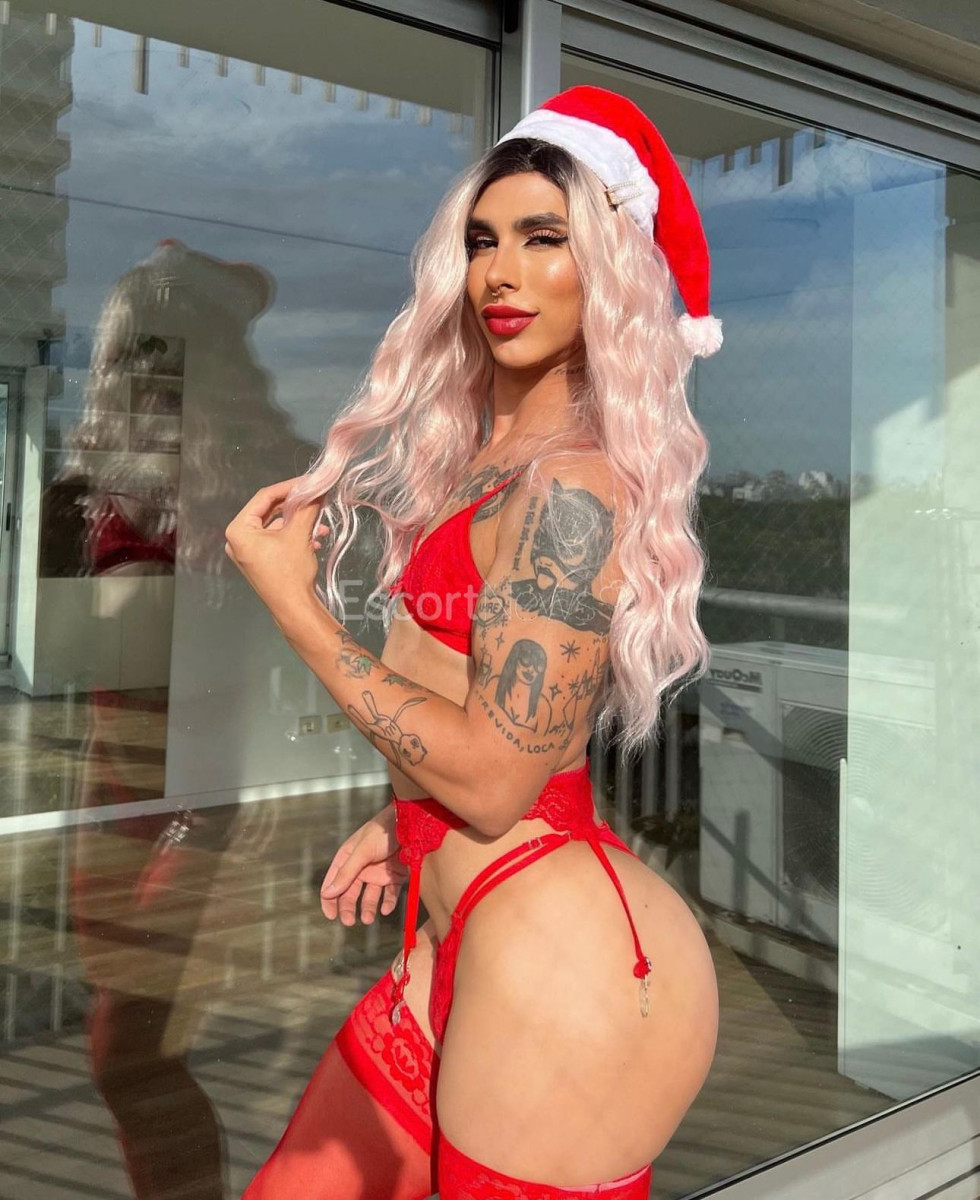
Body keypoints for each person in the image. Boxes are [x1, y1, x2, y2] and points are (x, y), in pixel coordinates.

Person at [226, 85, 722, 1199]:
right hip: (461, 936)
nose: (501, 272)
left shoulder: (572, 490)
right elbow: (487, 713)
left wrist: (296, 605)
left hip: (568, 970)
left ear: (608, 269)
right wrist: (407, 817)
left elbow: (497, 781)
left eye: (544, 238)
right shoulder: (490, 465)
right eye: (482, 241)